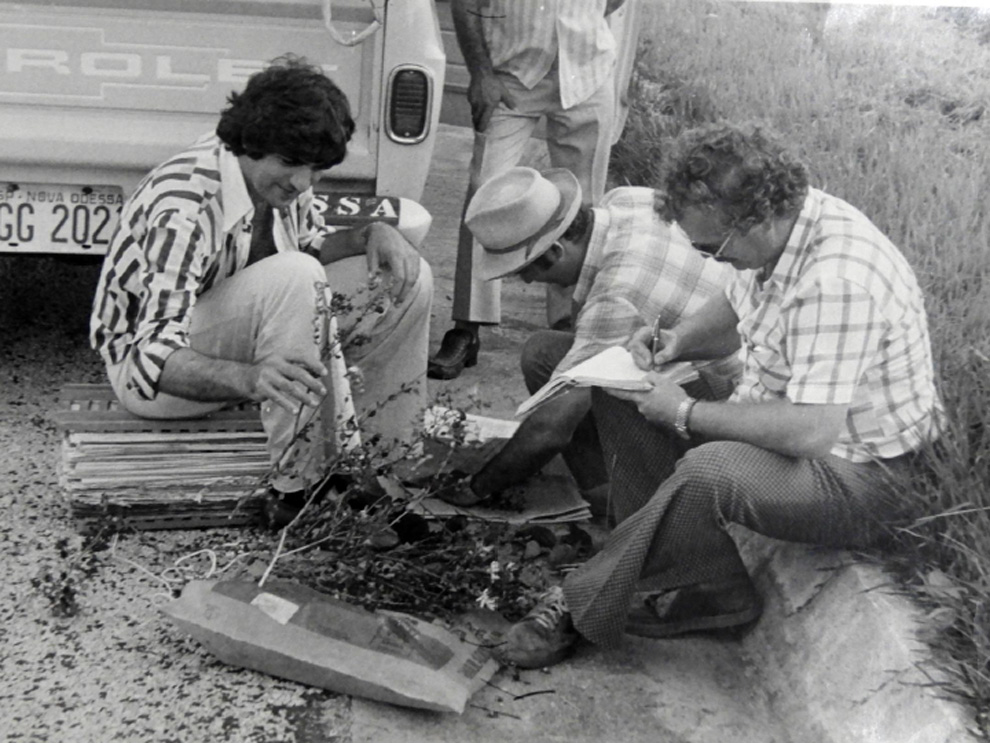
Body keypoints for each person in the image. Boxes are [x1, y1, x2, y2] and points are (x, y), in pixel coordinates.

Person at [496, 123, 943, 669]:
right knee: (615, 384)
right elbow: (733, 309)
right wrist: (675, 341)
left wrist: (686, 412)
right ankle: (705, 582)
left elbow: (810, 431)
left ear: (754, 218)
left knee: (710, 468)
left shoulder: (836, 280)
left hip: (862, 473)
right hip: (798, 425)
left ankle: (582, 602)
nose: (709, 257)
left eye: (713, 248)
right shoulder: (785, 228)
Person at [90, 56, 433, 526]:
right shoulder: (185, 206)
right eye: (291, 165)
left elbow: (310, 244)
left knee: (409, 278)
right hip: (147, 379)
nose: (301, 182)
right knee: (294, 275)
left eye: (315, 170)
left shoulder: (284, 180)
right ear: (250, 142)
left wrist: (372, 233)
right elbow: (152, 356)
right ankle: (297, 487)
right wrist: (250, 380)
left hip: (225, 348)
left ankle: (385, 462)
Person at [435, 166, 738, 518]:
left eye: (526, 269)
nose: (529, 282)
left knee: (586, 391)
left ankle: (625, 510)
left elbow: (550, 429)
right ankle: (612, 487)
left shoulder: (616, 296)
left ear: (557, 251)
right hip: (708, 352)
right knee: (543, 353)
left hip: (726, 409)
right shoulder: (626, 201)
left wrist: (477, 487)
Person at [427, 0, 627, 381]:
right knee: (486, 195)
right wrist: (480, 73)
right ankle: (468, 328)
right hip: (510, 74)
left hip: (587, 70)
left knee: (583, 211)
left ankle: (566, 330)